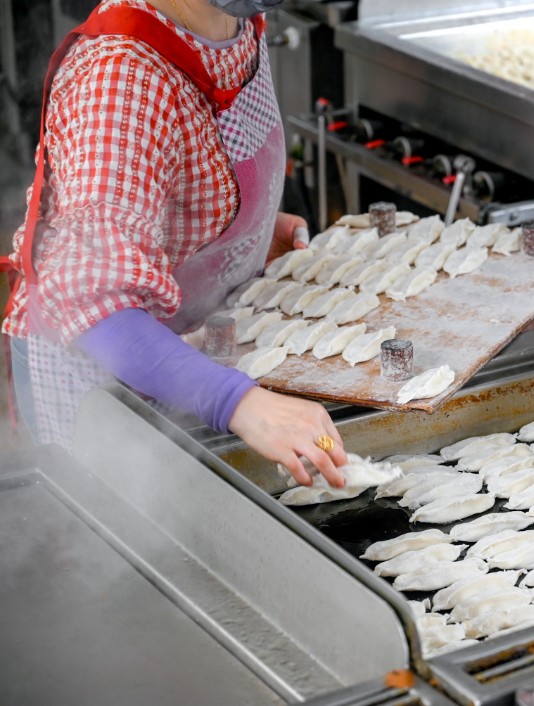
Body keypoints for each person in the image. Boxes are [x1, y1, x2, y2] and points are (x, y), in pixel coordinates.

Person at [0, 0, 349, 488]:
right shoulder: (120, 78)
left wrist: (247, 229)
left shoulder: (232, 22)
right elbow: (92, 304)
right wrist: (240, 403)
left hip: (199, 354)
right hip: (104, 384)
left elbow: (180, 174)